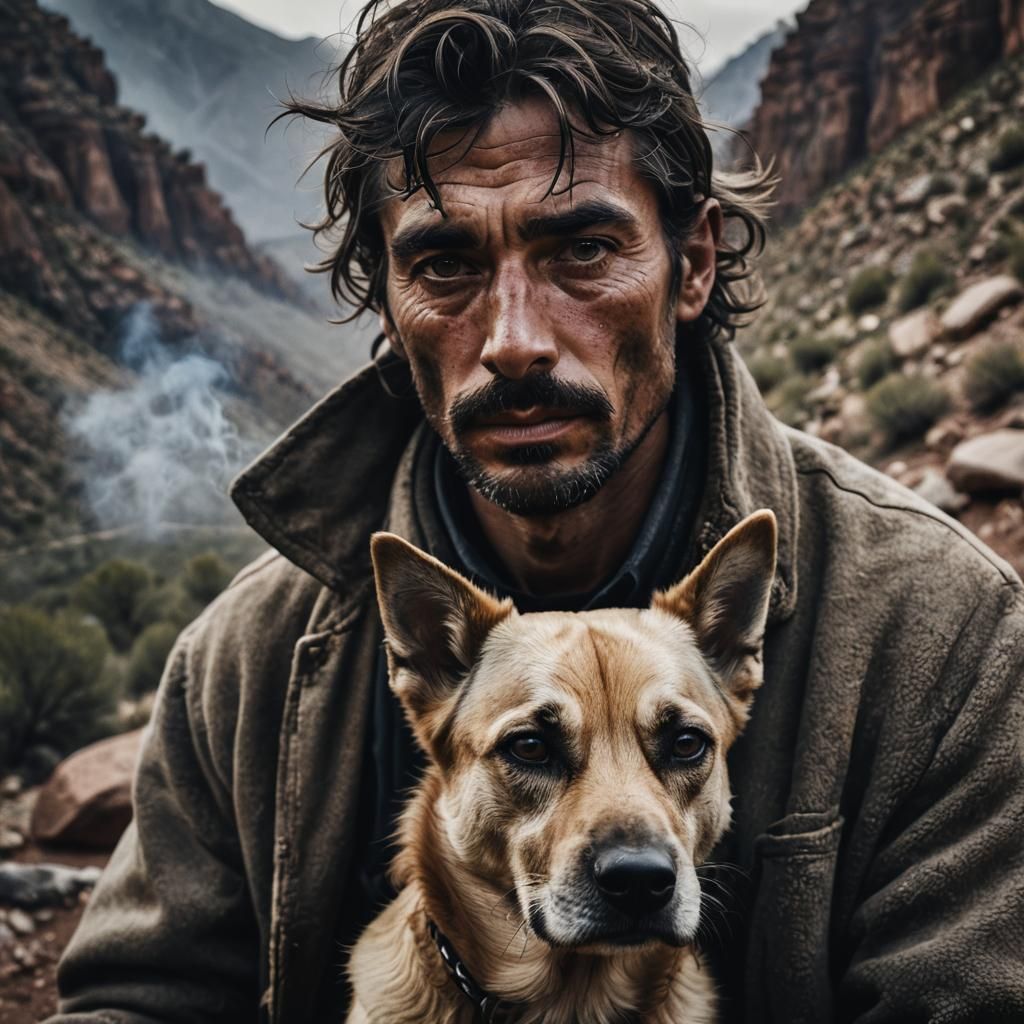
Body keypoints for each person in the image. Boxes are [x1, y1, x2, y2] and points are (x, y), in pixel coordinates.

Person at [49, 0, 1024, 1021]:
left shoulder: (942, 639)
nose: (514, 339)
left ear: (691, 262)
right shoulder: (242, 663)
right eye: (445, 263)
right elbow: (138, 998)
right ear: (385, 297)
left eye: (581, 249)